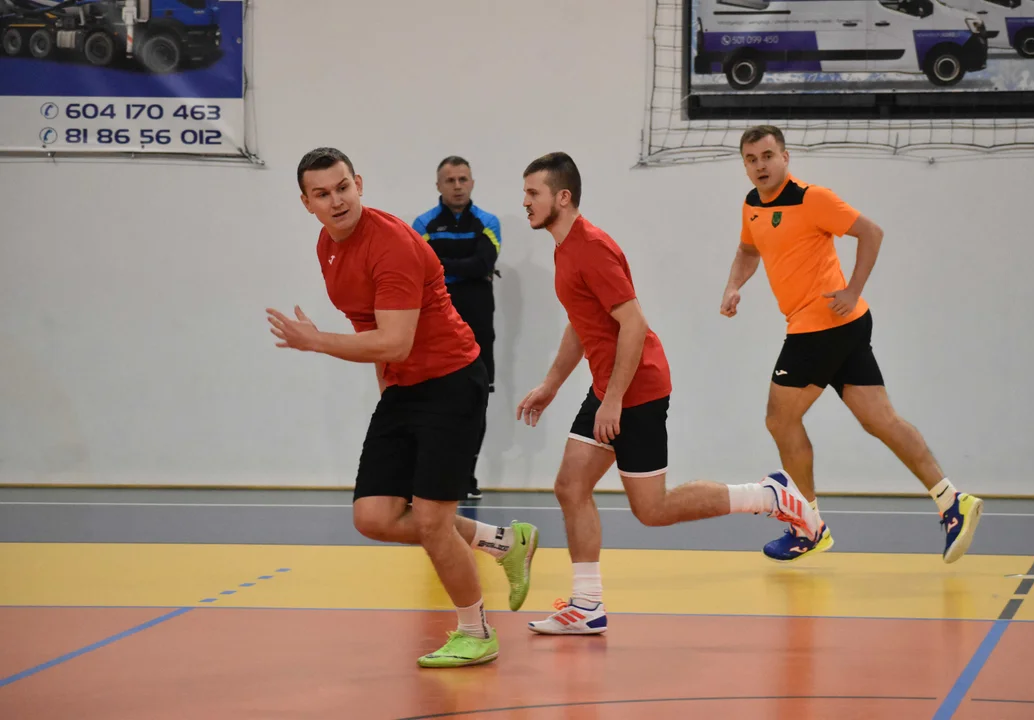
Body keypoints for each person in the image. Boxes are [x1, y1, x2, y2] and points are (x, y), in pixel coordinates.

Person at [515, 151, 821, 635]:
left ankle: (769, 495)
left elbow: (633, 324)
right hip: (610, 386)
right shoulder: (564, 248)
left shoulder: (591, 247)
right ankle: (587, 605)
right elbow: (582, 322)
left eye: (533, 193)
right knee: (570, 487)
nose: (525, 202)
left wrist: (614, 400)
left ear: (563, 197)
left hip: (636, 388)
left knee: (652, 510)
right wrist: (551, 385)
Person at [267, 147, 538, 668]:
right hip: (404, 387)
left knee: (433, 523)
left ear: (359, 183)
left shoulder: (390, 243)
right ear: (307, 203)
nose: (336, 200)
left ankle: (476, 631)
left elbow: (394, 340)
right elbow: (369, 325)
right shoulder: (327, 244)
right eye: (322, 194)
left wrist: (315, 341)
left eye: (343, 187)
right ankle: (504, 542)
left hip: (452, 382)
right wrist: (388, 393)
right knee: (373, 516)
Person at [719, 125, 984, 564]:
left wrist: (853, 289)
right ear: (745, 165)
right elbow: (748, 251)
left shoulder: (812, 199)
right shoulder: (752, 205)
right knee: (880, 419)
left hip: (821, 325)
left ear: (785, 157)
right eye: (751, 159)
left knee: (780, 419)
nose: (760, 166)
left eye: (767, 156)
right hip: (842, 327)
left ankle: (808, 526)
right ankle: (951, 500)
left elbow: (871, 232)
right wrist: (733, 287)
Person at [412, 157, 502, 501]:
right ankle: (431, 477)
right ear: (438, 185)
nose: (457, 185)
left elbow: (483, 263)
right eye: (450, 180)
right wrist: (468, 269)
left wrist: (444, 265)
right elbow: (423, 267)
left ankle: (467, 476)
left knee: (476, 401)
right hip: (436, 324)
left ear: (472, 182)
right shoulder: (423, 224)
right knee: (434, 401)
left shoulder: (488, 222)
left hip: (479, 325)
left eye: (463, 179)